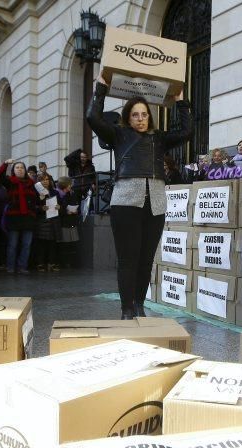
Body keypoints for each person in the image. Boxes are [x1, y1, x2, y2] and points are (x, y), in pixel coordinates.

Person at [87, 74, 192, 319]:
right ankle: (126, 309)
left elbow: (187, 132)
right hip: (125, 201)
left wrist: (181, 102)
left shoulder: (159, 138)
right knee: (128, 259)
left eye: (144, 114)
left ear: (149, 116)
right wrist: (101, 88)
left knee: (146, 260)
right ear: (128, 117)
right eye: (135, 115)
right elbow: (92, 117)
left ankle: (139, 305)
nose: (140, 119)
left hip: (155, 202)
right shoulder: (118, 134)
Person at [0, 159, 37, 274]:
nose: (20, 169)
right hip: (14, 217)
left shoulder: (31, 184)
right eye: (17, 167)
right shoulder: (10, 182)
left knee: (26, 244)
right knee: (12, 244)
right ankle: (10, 267)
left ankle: (22, 266)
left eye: (22, 168)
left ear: (25, 170)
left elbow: (36, 200)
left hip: (28, 218)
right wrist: (5, 164)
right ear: (13, 170)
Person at [33, 173, 60, 272]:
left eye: (47, 179)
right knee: (42, 243)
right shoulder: (36, 192)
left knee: (52, 243)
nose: (45, 181)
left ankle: (51, 263)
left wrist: (59, 207)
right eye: (43, 180)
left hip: (53, 220)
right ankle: (40, 263)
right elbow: (33, 206)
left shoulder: (54, 192)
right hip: (42, 220)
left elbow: (60, 204)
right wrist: (41, 208)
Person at [55, 176, 81, 268]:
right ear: (64, 185)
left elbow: (75, 203)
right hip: (63, 222)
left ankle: (72, 262)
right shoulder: (58, 194)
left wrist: (76, 210)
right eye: (69, 184)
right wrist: (66, 211)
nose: (71, 186)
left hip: (72, 221)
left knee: (72, 244)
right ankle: (64, 263)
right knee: (64, 244)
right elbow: (57, 208)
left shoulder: (71, 193)